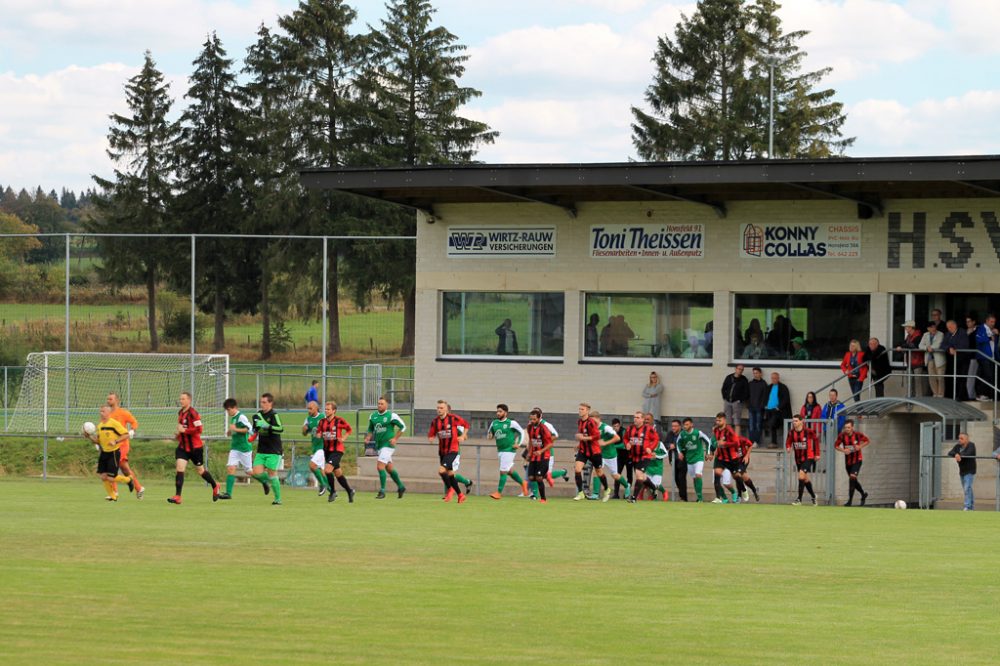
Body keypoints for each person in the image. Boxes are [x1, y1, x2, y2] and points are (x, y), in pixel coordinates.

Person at [167, 392, 220, 505]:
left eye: (183, 399)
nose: (181, 401)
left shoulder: (193, 413)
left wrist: (185, 431)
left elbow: (199, 429)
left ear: (189, 400)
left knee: (200, 471)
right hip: (183, 447)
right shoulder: (180, 413)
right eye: (180, 399)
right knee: (180, 469)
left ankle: (215, 485)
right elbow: (181, 428)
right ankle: (178, 496)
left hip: (195, 448)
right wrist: (178, 435)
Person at [84, 404, 130, 501]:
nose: (101, 413)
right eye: (100, 411)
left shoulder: (114, 423)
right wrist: (89, 436)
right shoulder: (100, 426)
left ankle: (128, 480)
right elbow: (98, 441)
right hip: (104, 453)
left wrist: (115, 441)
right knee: (103, 476)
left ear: (109, 413)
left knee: (111, 478)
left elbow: (126, 435)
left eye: (103, 411)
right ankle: (112, 496)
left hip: (113, 453)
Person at [428, 400, 470, 504]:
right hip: (442, 451)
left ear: (446, 409)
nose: (439, 410)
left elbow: (466, 425)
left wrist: (463, 436)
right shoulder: (435, 421)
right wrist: (431, 437)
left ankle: (450, 489)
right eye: (438, 408)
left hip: (453, 450)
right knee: (450, 474)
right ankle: (460, 495)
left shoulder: (453, 418)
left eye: (441, 408)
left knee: (441, 471)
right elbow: (431, 433)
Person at [366, 396, 407, 499]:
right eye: (378, 403)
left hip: (388, 445)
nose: (379, 405)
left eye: (382, 404)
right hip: (379, 446)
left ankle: (382, 491)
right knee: (389, 468)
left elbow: (403, 427)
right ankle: (401, 486)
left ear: (386, 405)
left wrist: (395, 439)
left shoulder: (391, 416)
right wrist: (368, 437)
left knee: (380, 467)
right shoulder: (373, 416)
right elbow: (371, 428)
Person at [218, 398, 259, 500]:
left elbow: (248, 429)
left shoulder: (241, 417)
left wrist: (234, 429)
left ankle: (265, 481)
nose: (228, 412)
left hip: (244, 448)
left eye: (228, 410)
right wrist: (229, 431)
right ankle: (228, 493)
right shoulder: (234, 417)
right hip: (235, 448)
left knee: (249, 471)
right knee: (231, 468)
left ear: (234, 408)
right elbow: (234, 428)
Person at [486, 403, 529, 499]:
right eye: (497, 411)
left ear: (505, 413)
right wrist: (489, 436)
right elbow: (490, 435)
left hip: (509, 450)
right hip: (500, 450)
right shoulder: (494, 423)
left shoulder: (511, 423)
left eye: (500, 411)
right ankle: (523, 484)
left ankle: (498, 493)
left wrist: (518, 443)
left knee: (503, 471)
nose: (498, 413)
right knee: (509, 471)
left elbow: (521, 432)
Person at [106, 392, 143, 499]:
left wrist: (132, 431)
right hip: (111, 445)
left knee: (111, 465)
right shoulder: (107, 414)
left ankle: (114, 493)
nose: (108, 401)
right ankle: (139, 488)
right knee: (125, 469)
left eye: (111, 399)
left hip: (122, 444)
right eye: (108, 399)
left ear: (117, 400)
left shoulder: (123, 413)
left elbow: (134, 422)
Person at [317, 401, 355, 503]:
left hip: (337, 450)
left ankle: (333, 492)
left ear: (334, 411)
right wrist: (319, 435)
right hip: (327, 450)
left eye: (328, 409)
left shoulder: (339, 420)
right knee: (338, 474)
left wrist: (343, 438)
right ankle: (350, 491)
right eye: (325, 409)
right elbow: (319, 432)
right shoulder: (322, 422)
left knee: (327, 471)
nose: (326, 410)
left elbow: (349, 429)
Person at [251, 393, 285, 506]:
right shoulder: (258, 415)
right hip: (261, 449)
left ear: (270, 403)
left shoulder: (274, 415)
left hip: (274, 450)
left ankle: (278, 499)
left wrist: (267, 426)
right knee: (255, 472)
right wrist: (252, 434)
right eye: (261, 402)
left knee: (272, 473)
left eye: (265, 402)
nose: (262, 404)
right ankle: (266, 482)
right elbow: (255, 429)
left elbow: (280, 429)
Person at [573, 403, 608, 501]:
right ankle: (580, 493)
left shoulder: (591, 422)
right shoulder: (580, 421)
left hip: (594, 451)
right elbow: (583, 434)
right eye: (579, 409)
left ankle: (606, 489)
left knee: (599, 472)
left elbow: (597, 436)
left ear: (587, 411)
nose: (580, 411)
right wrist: (579, 444)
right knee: (577, 469)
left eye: (582, 409)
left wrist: (584, 438)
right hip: (583, 451)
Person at [590, 411, 627, 502]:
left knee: (614, 475)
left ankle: (627, 486)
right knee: (597, 471)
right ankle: (595, 494)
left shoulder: (606, 428)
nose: (592, 422)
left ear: (598, 418)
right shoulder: (592, 428)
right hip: (600, 454)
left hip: (610, 455)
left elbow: (617, 438)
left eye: (593, 420)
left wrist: (605, 443)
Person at [624, 410, 658, 503]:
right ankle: (654, 488)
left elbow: (656, 439)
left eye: (638, 417)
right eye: (634, 417)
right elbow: (625, 438)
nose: (635, 419)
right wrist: (627, 444)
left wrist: (650, 448)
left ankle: (634, 497)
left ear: (642, 419)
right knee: (642, 477)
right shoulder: (630, 428)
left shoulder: (648, 429)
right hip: (634, 456)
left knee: (639, 475)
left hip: (645, 456)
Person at [785, 415, 820, 505]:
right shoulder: (791, 433)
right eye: (793, 421)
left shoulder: (808, 431)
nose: (794, 423)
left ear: (801, 421)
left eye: (796, 421)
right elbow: (788, 442)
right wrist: (788, 447)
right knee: (805, 479)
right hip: (798, 458)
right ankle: (813, 496)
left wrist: (817, 454)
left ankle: (799, 500)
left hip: (809, 457)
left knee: (801, 475)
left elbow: (816, 441)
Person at [834, 419, 870, 506]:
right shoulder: (842, 436)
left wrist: (860, 446)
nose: (847, 429)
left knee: (852, 477)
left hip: (857, 460)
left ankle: (850, 501)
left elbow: (867, 441)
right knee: (853, 480)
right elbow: (836, 445)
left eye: (849, 427)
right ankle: (863, 494)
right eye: (846, 427)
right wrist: (843, 450)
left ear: (852, 427)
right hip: (848, 462)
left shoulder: (858, 435)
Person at [675, 417, 711, 502]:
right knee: (695, 478)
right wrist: (679, 452)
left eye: (687, 424)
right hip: (689, 459)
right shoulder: (682, 434)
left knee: (698, 474)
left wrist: (707, 453)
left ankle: (700, 498)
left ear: (691, 424)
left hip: (699, 457)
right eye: (684, 425)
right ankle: (698, 497)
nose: (685, 426)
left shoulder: (698, 433)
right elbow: (678, 443)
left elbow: (708, 441)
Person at [710, 413, 742, 504]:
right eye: (716, 420)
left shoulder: (729, 431)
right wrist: (711, 453)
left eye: (719, 420)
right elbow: (714, 444)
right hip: (719, 458)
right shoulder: (715, 431)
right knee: (716, 479)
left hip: (729, 459)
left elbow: (736, 443)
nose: (717, 422)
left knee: (727, 482)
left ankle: (735, 493)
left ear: (724, 420)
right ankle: (720, 498)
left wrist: (725, 444)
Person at [302, 401, 332, 497]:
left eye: (310, 408)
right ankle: (332, 491)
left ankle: (322, 485)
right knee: (322, 471)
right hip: (315, 448)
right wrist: (304, 429)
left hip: (323, 447)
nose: (309, 410)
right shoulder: (308, 419)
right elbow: (304, 433)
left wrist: (323, 433)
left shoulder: (323, 417)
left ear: (316, 408)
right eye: (308, 408)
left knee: (312, 465)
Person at [525, 409, 554, 503]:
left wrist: (541, 451)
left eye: (534, 419)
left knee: (538, 477)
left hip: (543, 456)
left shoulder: (543, 428)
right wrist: (529, 452)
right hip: (534, 456)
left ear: (539, 418)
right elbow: (530, 441)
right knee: (531, 478)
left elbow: (550, 444)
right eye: (531, 419)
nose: (532, 421)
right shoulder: (529, 427)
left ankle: (543, 499)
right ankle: (547, 475)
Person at [947, 433, 977, 511]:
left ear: (967, 439)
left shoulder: (971, 445)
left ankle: (967, 506)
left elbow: (969, 453)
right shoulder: (958, 446)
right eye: (959, 438)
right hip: (962, 471)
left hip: (970, 470)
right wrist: (956, 454)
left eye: (961, 438)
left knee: (967, 488)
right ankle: (971, 507)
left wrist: (959, 455)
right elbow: (950, 453)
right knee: (968, 488)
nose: (959, 440)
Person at [895, 320, 925, 397]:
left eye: (906, 327)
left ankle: (919, 399)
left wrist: (902, 347)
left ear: (911, 327)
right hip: (909, 362)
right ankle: (909, 397)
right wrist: (902, 346)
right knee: (909, 381)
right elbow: (904, 344)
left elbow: (913, 345)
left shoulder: (919, 336)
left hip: (918, 362)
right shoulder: (908, 337)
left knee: (918, 381)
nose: (905, 329)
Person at [944, 320, 970, 401]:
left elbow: (964, 345)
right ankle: (956, 396)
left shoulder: (962, 333)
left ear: (955, 326)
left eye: (950, 327)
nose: (949, 329)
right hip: (952, 360)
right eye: (947, 327)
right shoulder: (948, 334)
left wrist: (953, 347)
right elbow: (943, 344)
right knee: (952, 378)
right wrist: (949, 348)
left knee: (961, 378)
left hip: (963, 359)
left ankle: (961, 396)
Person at [763, 371, 791, 447]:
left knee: (781, 426)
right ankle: (774, 443)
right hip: (769, 410)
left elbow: (786, 399)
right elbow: (765, 397)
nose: (773, 379)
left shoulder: (783, 387)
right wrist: (765, 406)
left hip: (779, 411)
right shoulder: (769, 387)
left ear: (778, 378)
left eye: (775, 378)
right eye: (772, 378)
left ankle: (787, 443)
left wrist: (779, 407)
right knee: (772, 426)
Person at [974, 314, 997, 400]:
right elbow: (978, 339)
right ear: (986, 321)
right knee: (987, 376)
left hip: (992, 357)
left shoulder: (993, 330)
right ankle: (981, 394)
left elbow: (995, 343)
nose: (993, 323)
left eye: (994, 322)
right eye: (991, 322)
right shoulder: (981, 328)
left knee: (986, 375)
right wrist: (989, 338)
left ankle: (985, 395)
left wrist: (997, 334)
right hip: (983, 356)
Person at [720, 364, 749, 433]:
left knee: (737, 421)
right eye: (739, 369)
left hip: (737, 402)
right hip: (727, 401)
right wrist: (724, 397)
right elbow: (724, 388)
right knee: (728, 420)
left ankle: (736, 440)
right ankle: (729, 438)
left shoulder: (744, 379)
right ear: (735, 369)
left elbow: (746, 392)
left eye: (742, 369)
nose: (740, 371)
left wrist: (740, 400)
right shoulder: (729, 377)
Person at [921, 320, 946, 398]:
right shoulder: (925, 335)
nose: (933, 328)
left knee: (940, 377)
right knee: (932, 377)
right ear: (928, 328)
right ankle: (935, 393)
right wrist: (926, 348)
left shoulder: (941, 334)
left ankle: (940, 394)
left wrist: (930, 348)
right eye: (931, 327)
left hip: (939, 359)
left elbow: (938, 344)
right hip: (929, 359)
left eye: (934, 326)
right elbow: (920, 345)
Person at [663, 419, 686, 501]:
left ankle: (683, 497)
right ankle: (682, 494)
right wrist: (669, 445)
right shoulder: (670, 434)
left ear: (680, 426)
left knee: (681, 477)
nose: (673, 428)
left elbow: (685, 445)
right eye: (672, 426)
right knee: (676, 478)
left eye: (675, 426)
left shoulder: (684, 434)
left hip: (682, 459)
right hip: (673, 459)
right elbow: (665, 444)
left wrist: (675, 446)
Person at [734, 433, 760, 502]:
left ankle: (740, 495)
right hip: (735, 462)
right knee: (745, 478)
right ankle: (754, 491)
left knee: (738, 475)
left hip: (743, 460)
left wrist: (747, 456)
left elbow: (750, 445)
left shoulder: (742, 439)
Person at [747, 367, 768, 445]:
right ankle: (751, 441)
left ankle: (756, 441)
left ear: (760, 374)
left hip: (759, 408)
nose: (755, 375)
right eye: (754, 373)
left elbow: (765, 396)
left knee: (758, 424)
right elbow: (748, 395)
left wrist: (762, 405)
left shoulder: (763, 384)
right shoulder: (750, 384)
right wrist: (748, 404)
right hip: (751, 407)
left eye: (756, 373)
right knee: (751, 424)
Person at [611, 417, 630, 499]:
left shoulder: (623, 431)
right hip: (619, 457)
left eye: (617, 426)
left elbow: (624, 445)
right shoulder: (612, 433)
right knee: (617, 474)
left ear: (620, 425)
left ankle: (627, 494)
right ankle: (616, 494)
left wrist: (613, 446)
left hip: (628, 456)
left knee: (629, 475)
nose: (616, 428)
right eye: (614, 426)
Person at [965, 315, 979, 401]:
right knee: (968, 376)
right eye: (966, 321)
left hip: (974, 356)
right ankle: (970, 394)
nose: (967, 323)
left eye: (969, 321)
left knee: (971, 376)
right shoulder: (965, 331)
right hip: (966, 357)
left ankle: (971, 395)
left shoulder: (977, 330)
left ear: (974, 322)